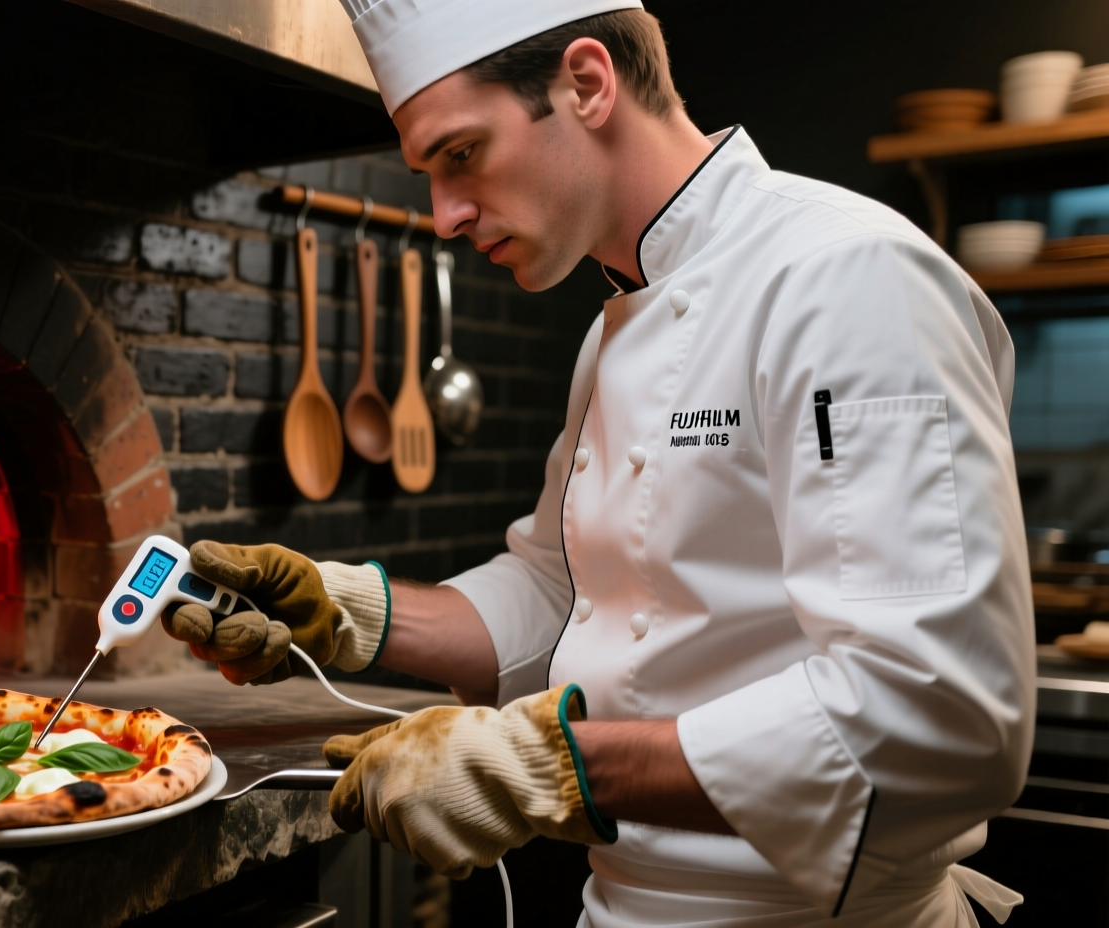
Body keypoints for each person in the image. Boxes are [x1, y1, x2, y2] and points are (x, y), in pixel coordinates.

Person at [159, 1, 1035, 924]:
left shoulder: (848, 279)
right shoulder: (612, 329)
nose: (445, 216)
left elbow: (944, 721)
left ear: (586, 82)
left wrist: (555, 765)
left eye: (460, 154)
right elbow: (563, 597)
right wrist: (343, 615)